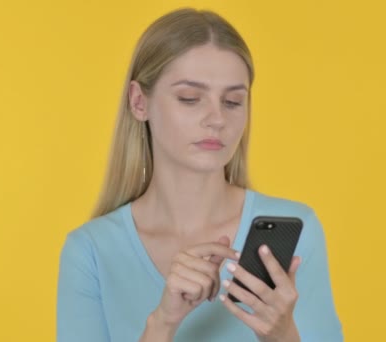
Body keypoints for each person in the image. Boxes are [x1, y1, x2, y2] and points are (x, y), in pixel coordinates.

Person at [57, 7, 343, 342]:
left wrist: (282, 335)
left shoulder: (297, 232)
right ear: (139, 102)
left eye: (233, 102)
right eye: (190, 98)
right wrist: (163, 323)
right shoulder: (91, 251)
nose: (216, 118)